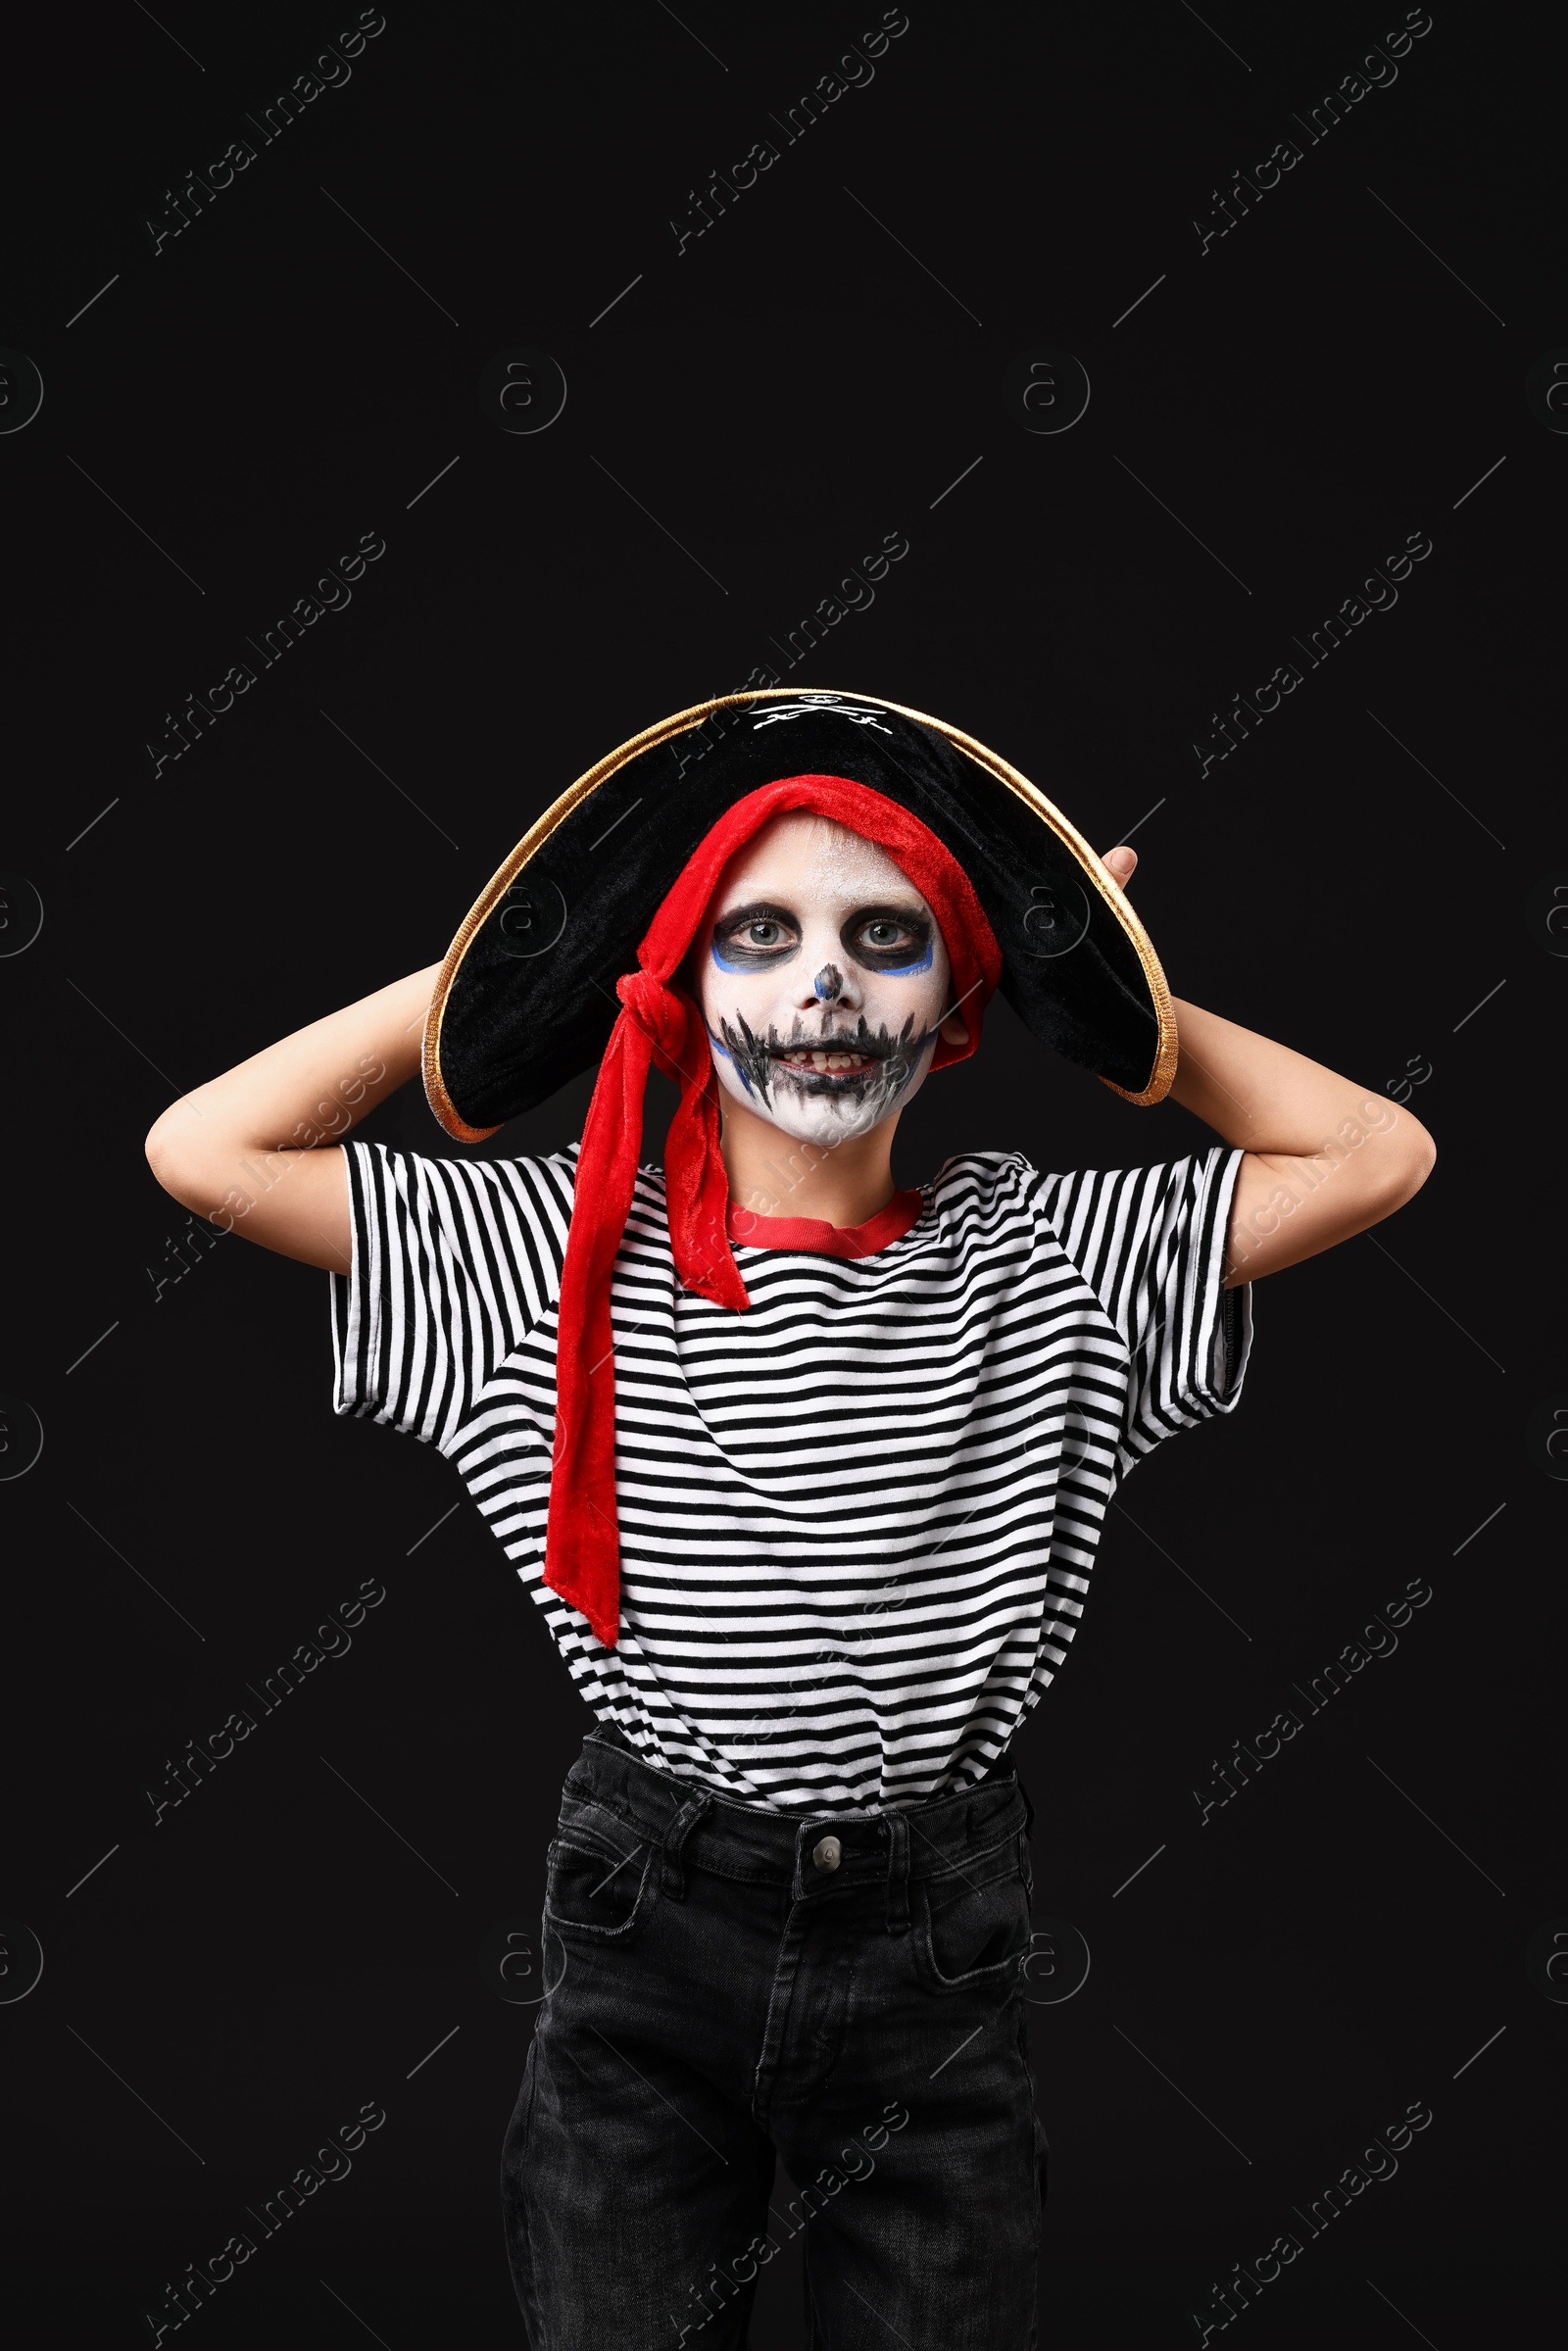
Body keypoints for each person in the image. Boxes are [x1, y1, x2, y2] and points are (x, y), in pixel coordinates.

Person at [145, 688, 1434, 2348]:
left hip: (938, 1958)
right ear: (676, 986)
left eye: (884, 933)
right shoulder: (539, 1254)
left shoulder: (1057, 1259)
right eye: (755, 933)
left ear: (963, 998)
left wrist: (1120, 990)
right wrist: (520, 961)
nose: (823, 977)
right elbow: (202, 1147)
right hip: (647, 1934)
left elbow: (1374, 1153)